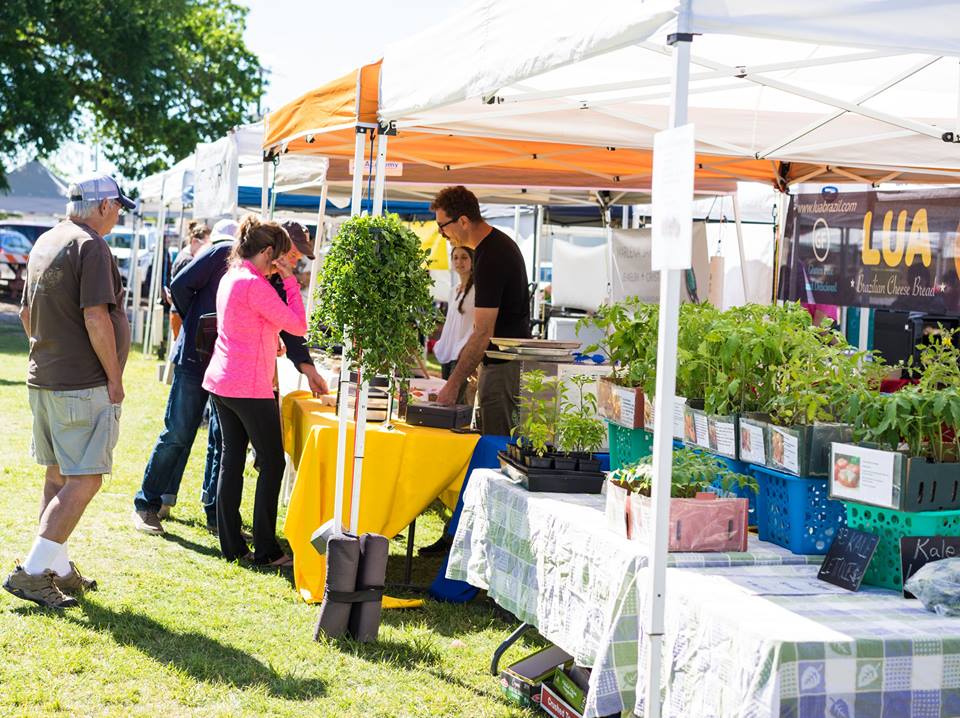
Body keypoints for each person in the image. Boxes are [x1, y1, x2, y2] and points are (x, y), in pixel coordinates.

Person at [4, 174, 133, 608]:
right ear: (102, 206)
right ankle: (35, 571)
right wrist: (114, 377)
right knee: (85, 478)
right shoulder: (90, 244)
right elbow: (97, 317)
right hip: (81, 382)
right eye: (117, 206)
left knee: (58, 474)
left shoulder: (47, 240)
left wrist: (50, 352)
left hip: (46, 377)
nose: (118, 214)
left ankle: (55, 566)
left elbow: (25, 313)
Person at [203, 217, 307, 566]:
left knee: (232, 459)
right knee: (273, 462)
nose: (279, 266)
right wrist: (291, 283)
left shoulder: (232, 276)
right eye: (277, 258)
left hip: (222, 379)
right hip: (248, 385)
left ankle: (232, 546)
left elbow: (244, 322)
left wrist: (269, 339)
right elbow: (298, 324)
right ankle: (267, 550)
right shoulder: (256, 283)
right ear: (266, 252)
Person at [131, 219, 238, 535]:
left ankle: (212, 513)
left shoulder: (229, 256)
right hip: (197, 358)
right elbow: (178, 284)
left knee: (218, 440)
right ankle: (147, 504)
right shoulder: (221, 252)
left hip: (219, 361)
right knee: (180, 432)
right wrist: (195, 317)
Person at [432, 186, 530, 435]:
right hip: (498, 365)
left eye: (442, 226)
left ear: (463, 221)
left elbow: (483, 330)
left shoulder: (492, 254)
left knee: (495, 442)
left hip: (502, 366)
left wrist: (453, 384)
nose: (442, 234)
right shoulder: (491, 249)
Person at [432, 245, 475, 405]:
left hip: (463, 353)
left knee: (454, 401)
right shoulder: (453, 291)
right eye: (455, 257)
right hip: (448, 353)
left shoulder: (477, 291)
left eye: (464, 257)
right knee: (447, 401)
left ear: (472, 260)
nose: (459, 262)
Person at [167, 221, 211, 340]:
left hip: (179, 312)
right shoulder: (187, 261)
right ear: (194, 242)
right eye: (206, 244)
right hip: (181, 314)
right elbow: (181, 289)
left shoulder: (186, 256)